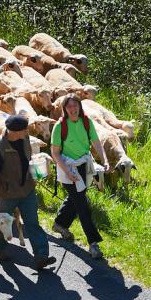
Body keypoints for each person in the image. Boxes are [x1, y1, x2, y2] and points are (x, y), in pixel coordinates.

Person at [0, 114, 56, 271]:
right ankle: (1, 249)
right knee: (3, 225)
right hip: (6, 195)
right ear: (15, 131)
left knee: (33, 223)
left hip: (27, 191)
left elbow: (26, 160)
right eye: (25, 129)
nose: (27, 131)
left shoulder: (25, 139)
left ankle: (41, 256)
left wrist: (35, 172)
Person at [50, 94, 109, 260]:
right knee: (83, 205)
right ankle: (93, 243)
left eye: (75, 106)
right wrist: (67, 172)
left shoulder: (86, 122)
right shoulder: (59, 126)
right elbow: (55, 153)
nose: (73, 109)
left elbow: (96, 142)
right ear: (64, 109)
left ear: (80, 107)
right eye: (69, 107)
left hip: (83, 166)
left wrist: (103, 160)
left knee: (77, 198)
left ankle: (60, 224)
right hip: (67, 168)